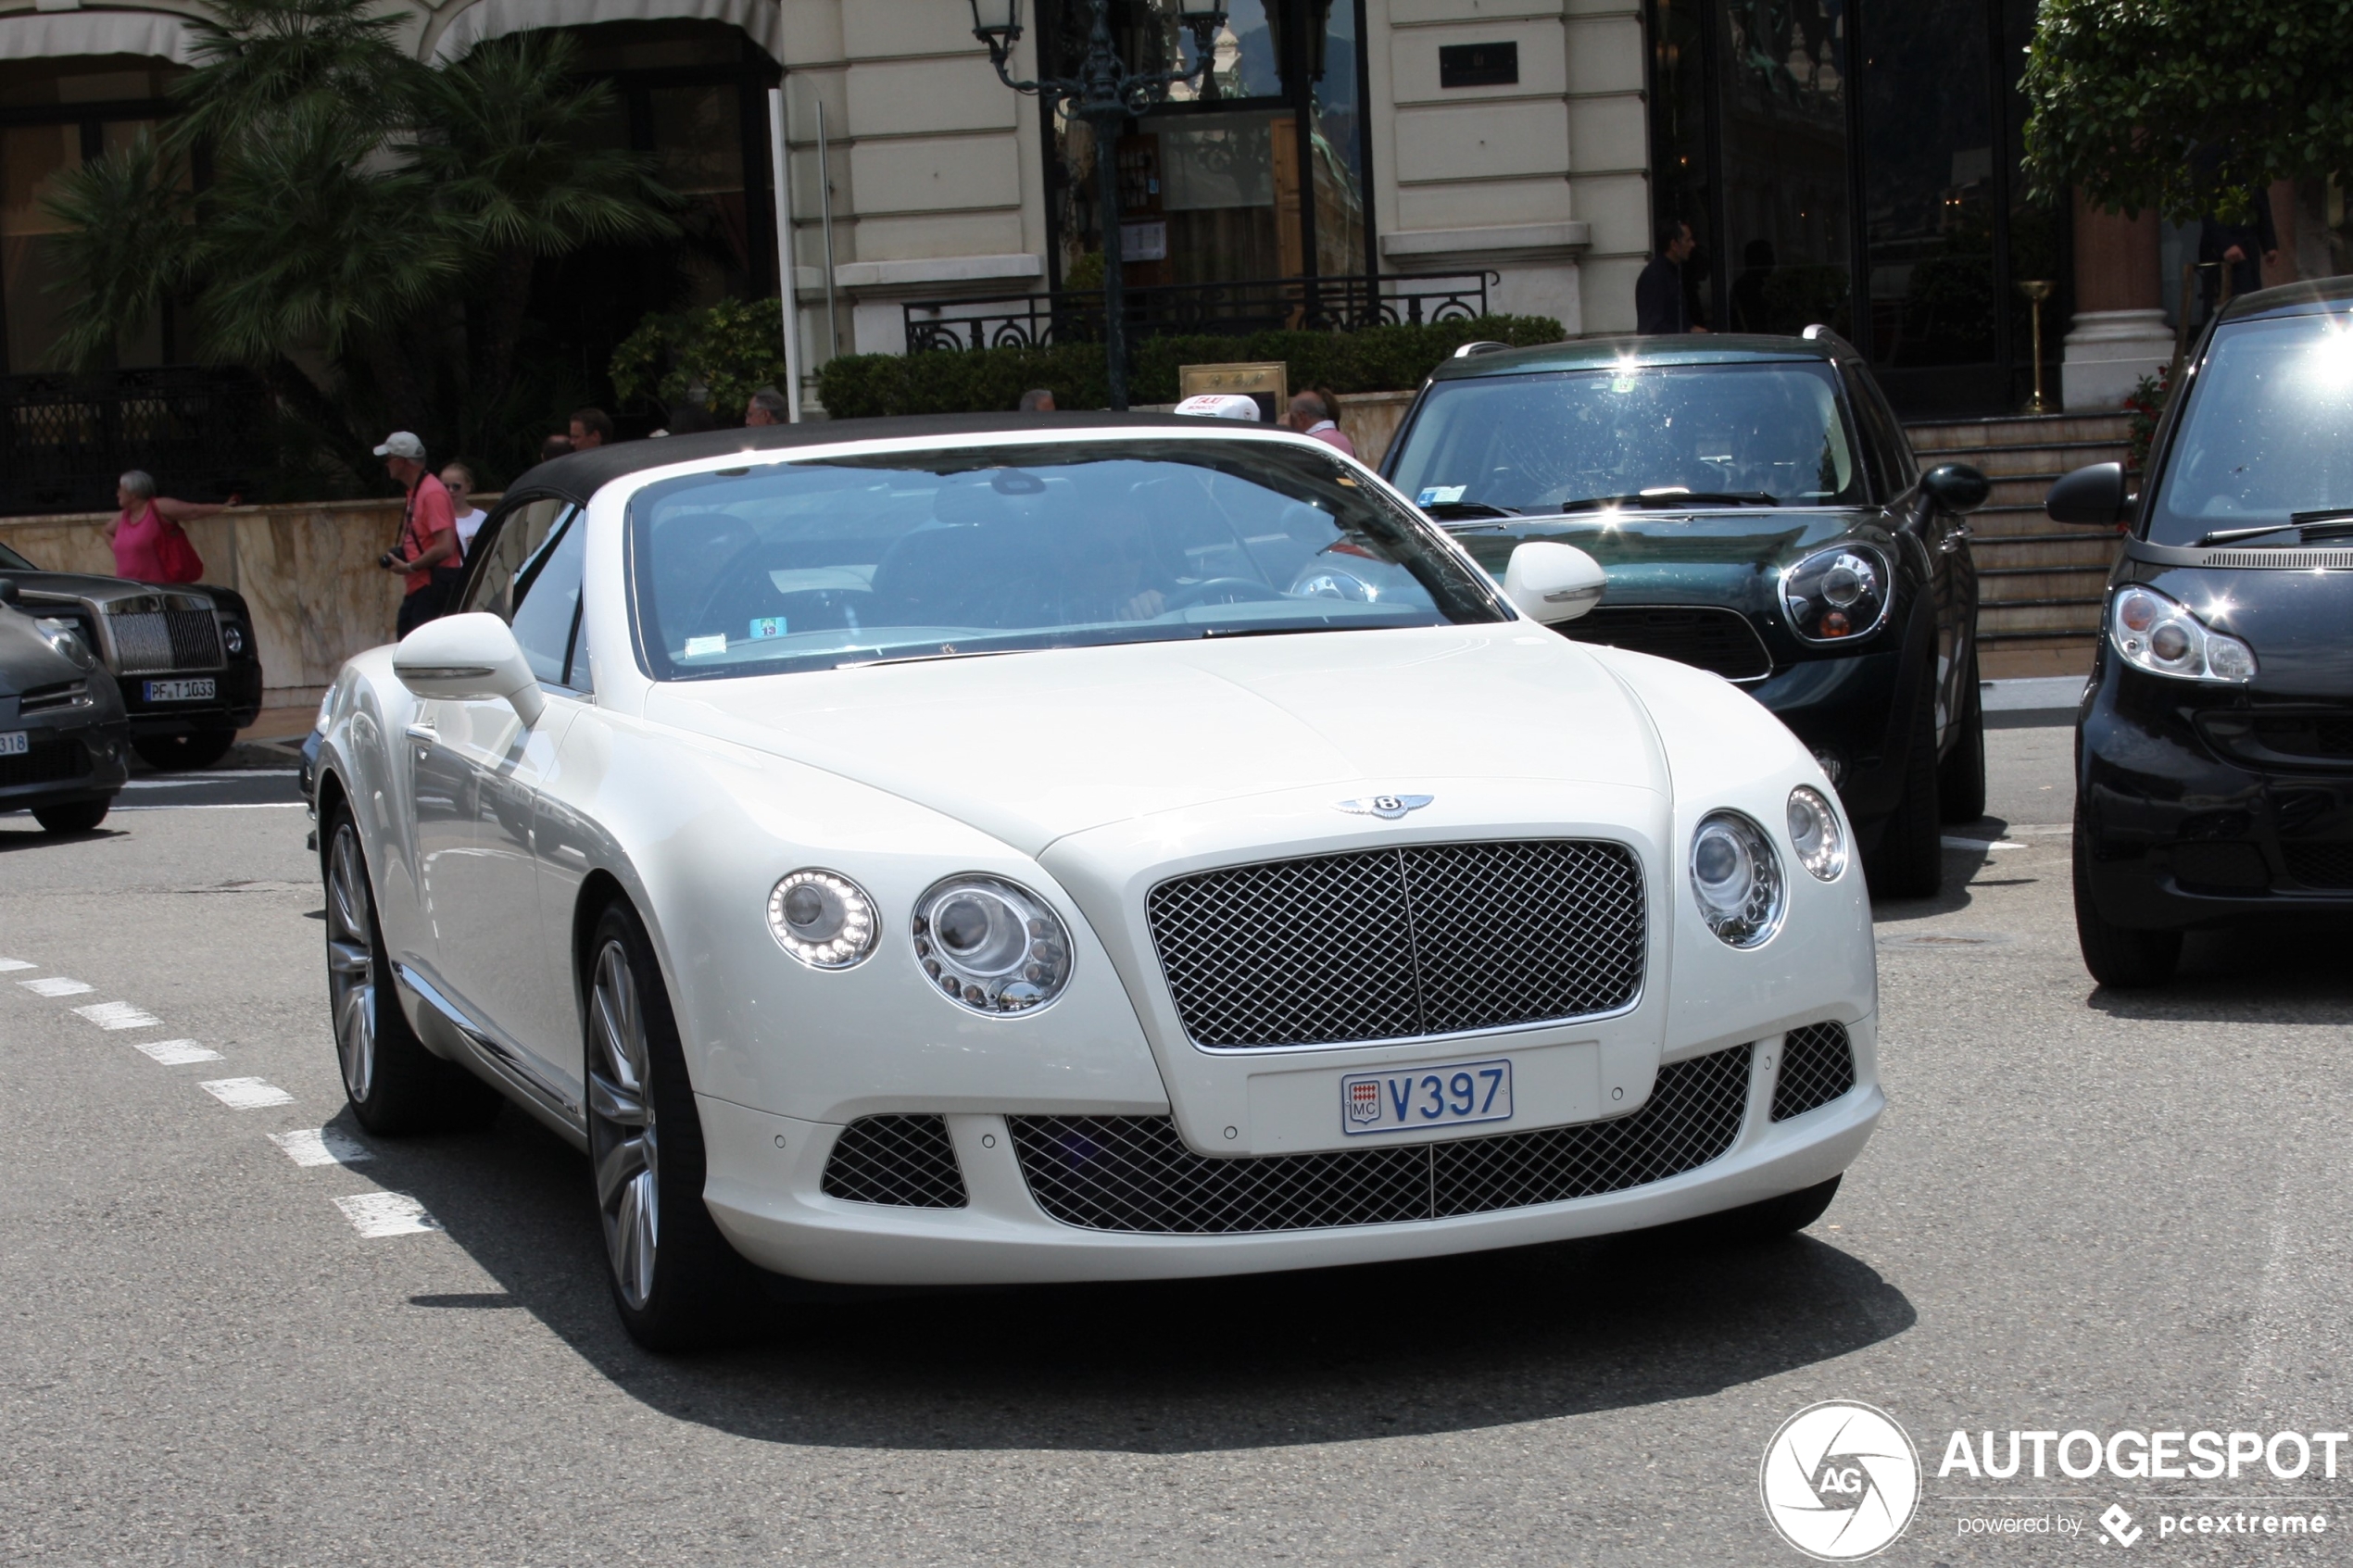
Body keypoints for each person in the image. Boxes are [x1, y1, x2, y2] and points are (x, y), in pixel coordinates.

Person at [375, 432, 459, 636]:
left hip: (431, 585)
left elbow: (445, 546)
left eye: (388, 459)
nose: (386, 464)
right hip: (420, 585)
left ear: (402, 461)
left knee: (419, 653)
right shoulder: (418, 491)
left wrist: (410, 566)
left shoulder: (431, 493)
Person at [104, 470, 237, 583]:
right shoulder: (124, 517)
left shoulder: (158, 507)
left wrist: (222, 507)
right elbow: (107, 531)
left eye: (120, 490)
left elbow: (193, 511)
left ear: (133, 494)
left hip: (159, 592)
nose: (117, 494)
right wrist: (119, 548)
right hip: (127, 591)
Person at [2199, 193, 2279, 314]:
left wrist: (2269, 244)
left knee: (2252, 297)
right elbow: (2208, 206)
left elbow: (2261, 201)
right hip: (2220, 248)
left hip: (2248, 243)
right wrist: (2225, 243)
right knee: (2228, 301)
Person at [1636, 219, 1708, 334]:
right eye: (1688, 240)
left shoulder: (1672, 272)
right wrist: (1688, 332)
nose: (1692, 244)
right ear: (1674, 245)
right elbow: (1651, 327)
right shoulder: (1655, 276)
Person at [1286, 390, 1354, 457]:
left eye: (1291, 418)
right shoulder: (1344, 440)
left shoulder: (1308, 445)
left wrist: (1283, 431)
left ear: (1301, 417)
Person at [442, 461, 487, 559]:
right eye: (445, 486)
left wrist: (480, 544)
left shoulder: (481, 517)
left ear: (468, 487)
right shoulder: (437, 517)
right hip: (445, 572)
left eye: (456, 486)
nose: (451, 491)